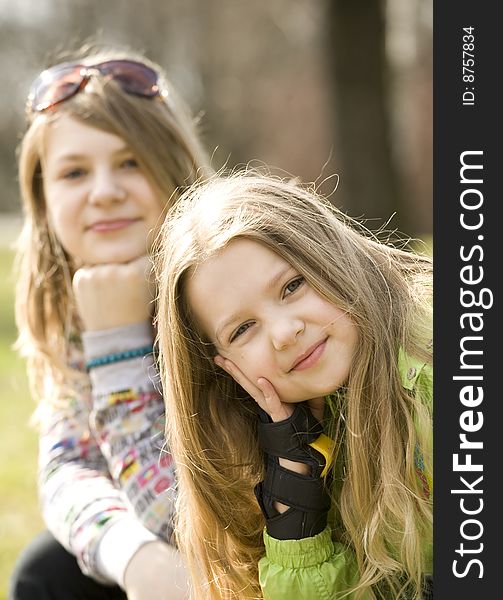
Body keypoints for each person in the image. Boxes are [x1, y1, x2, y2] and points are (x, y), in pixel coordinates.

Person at [153, 172, 433, 599]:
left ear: (330, 255)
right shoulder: (286, 437)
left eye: (292, 286)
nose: (284, 333)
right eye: (244, 328)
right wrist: (295, 499)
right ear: (223, 371)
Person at [9, 45, 213, 600]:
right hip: (167, 561)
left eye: (130, 162)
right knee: (48, 571)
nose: (105, 192)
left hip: (276, 552)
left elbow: (192, 526)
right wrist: (132, 556)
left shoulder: (227, 295)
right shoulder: (79, 301)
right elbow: (67, 468)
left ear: (176, 172)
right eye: (75, 172)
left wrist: (119, 345)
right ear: (45, 202)